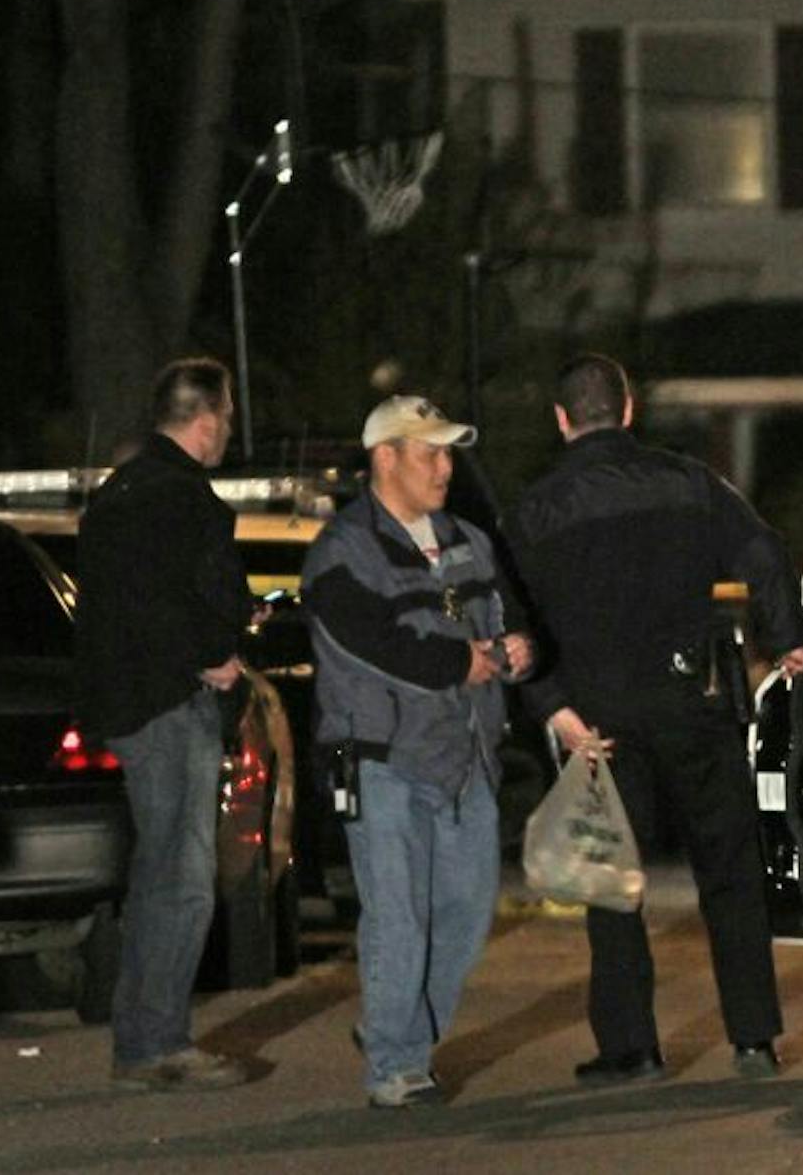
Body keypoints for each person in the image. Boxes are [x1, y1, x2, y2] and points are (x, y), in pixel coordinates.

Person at [504, 353, 803, 1086]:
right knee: (730, 873)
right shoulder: (689, 482)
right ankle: (753, 1038)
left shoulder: (533, 510)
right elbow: (763, 549)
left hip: (598, 719)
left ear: (562, 419)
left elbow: (509, 623)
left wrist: (554, 706)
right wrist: (786, 636)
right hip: (693, 700)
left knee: (613, 882)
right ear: (629, 410)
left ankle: (633, 1048)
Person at [301, 395, 533, 1109]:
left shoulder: (468, 538)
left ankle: (390, 1027)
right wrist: (459, 663)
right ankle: (398, 1065)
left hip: (466, 757)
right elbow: (370, 639)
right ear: (385, 457)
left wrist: (519, 651)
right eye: (429, 451)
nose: (445, 465)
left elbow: (509, 622)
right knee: (398, 912)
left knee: (465, 909)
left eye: (448, 451)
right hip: (383, 758)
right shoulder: (342, 549)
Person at [76, 358, 252, 1092]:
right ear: (206, 417)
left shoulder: (118, 494)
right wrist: (216, 654)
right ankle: (157, 1041)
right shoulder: (182, 498)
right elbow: (180, 601)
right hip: (169, 704)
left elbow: (124, 602)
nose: (228, 431)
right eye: (228, 416)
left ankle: (143, 1035)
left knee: (158, 871)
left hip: (125, 702)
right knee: (183, 876)